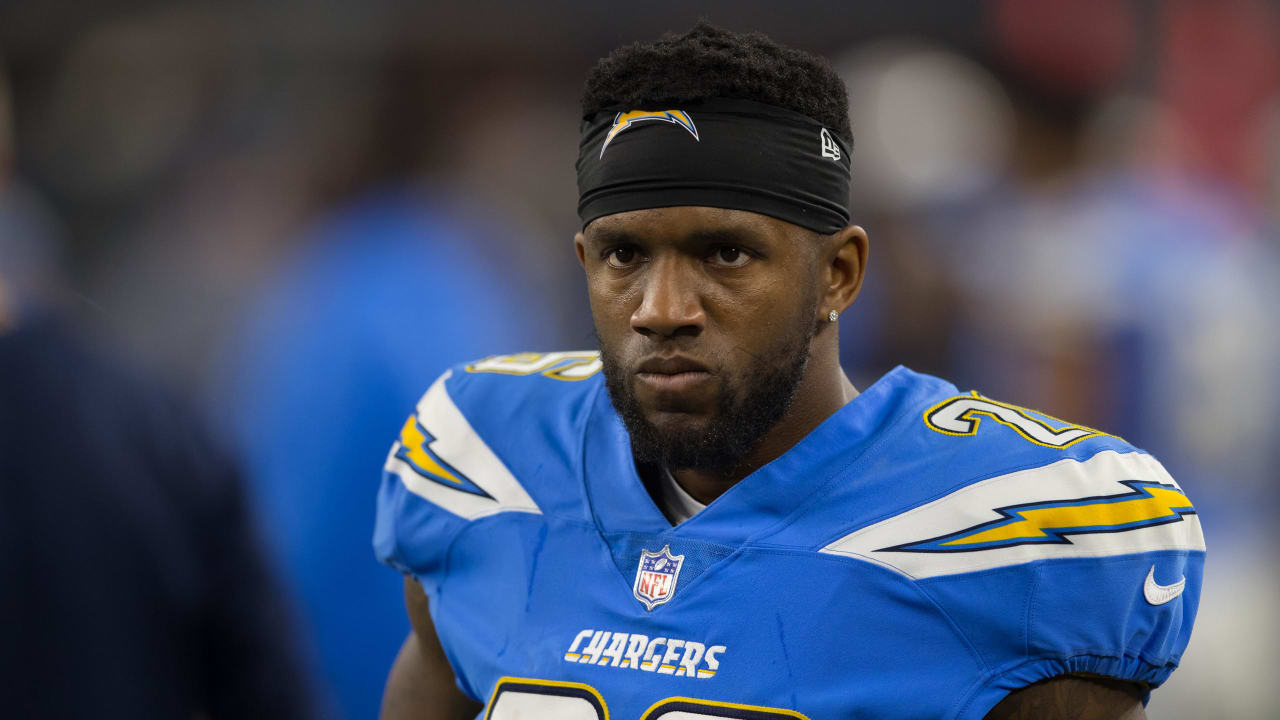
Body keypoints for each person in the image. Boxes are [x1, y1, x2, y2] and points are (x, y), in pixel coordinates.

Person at [373, 24, 1203, 720]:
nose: (661, 308)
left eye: (725, 253)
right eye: (625, 255)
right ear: (584, 261)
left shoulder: (1009, 536)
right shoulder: (487, 459)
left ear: (838, 274)